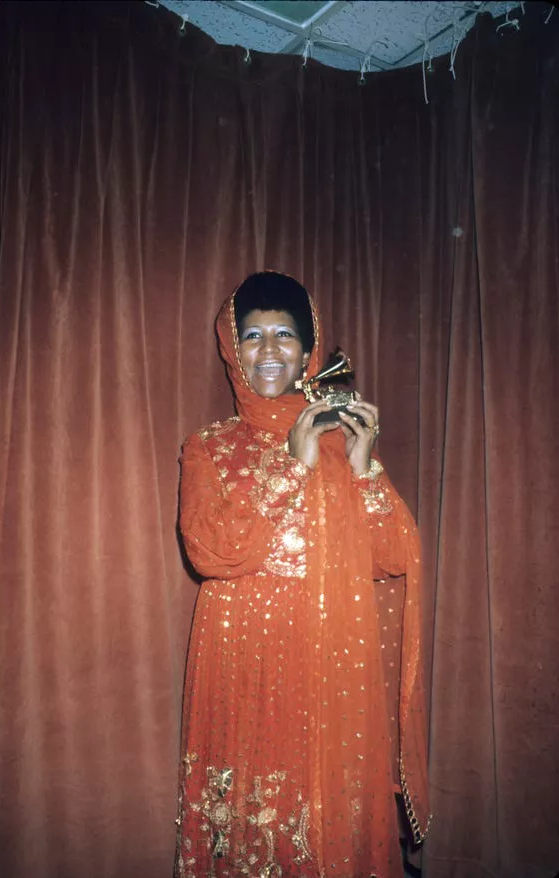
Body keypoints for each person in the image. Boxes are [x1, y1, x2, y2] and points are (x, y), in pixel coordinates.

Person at [175, 271, 430, 878]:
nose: (269, 350)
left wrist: (364, 466)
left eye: (285, 335)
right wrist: (292, 463)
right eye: (254, 335)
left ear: (309, 348)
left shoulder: (343, 445)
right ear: (232, 349)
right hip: (244, 663)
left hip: (332, 665)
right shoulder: (209, 447)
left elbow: (394, 558)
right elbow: (213, 552)